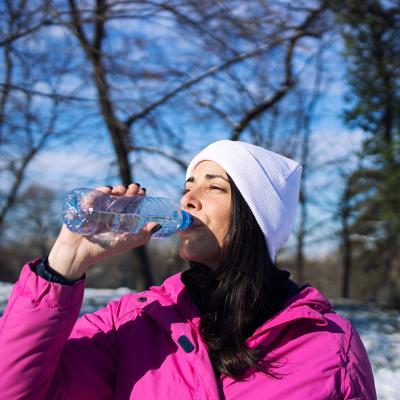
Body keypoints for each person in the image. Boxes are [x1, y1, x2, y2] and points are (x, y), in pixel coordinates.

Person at [0, 140, 376, 399]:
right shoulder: (134, 323)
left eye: (214, 188)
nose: (188, 199)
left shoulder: (327, 343)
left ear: (256, 218)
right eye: (188, 185)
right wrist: (65, 261)